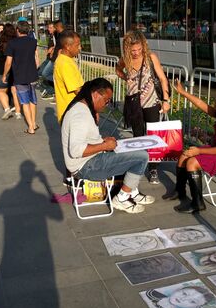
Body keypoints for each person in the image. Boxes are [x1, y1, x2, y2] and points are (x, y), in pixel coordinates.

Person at [61, 78, 154, 213]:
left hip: (89, 161)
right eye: (106, 100)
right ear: (96, 94)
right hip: (86, 167)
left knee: (134, 150)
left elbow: (84, 140)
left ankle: (132, 192)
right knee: (142, 157)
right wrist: (105, 146)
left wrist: (103, 141)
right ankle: (121, 198)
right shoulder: (80, 115)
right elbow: (76, 150)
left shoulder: (82, 108)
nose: (107, 104)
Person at [170, 82, 216, 213]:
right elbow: (201, 104)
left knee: (192, 162)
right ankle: (179, 191)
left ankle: (198, 203)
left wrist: (199, 150)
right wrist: (183, 92)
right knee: (184, 155)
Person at [115, 31, 170, 185]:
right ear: (127, 49)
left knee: (154, 137)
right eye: (133, 50)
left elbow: (162, 79)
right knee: (138, 137)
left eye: (139, 49)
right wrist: (126, 78)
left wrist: (166, 100)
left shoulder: (150, 58)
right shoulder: (125, 60)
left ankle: (153, 168)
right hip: (134, 104)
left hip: (151, 103)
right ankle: (138, 166)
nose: (136, 53)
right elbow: (117, 69)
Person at [2, 20, 39, 134]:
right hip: (32, 75)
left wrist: (4, 75)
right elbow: (36, 58)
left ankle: (31, 128)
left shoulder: (12, 43)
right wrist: (36, 68)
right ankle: (33, 123)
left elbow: (8, 62)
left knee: (25, 102)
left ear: (17, 30)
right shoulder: (33, 42)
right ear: (27, 30)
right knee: (33, 100)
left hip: (20, 76)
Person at [0, 23, 21, 120]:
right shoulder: (17, 41)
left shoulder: (0, 41)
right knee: (14, 90)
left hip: (1, 69)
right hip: (15, 69)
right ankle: (18, 113)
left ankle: (7, 109)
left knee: (1, 90)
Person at [53, 30, 83, 122]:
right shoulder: (65, 64)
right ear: (68, 47)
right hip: (72, 114)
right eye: (77, 45)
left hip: (72, 112)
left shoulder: (66, 59)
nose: (80, 48)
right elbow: (77, 90)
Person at [145, 285, 216, 308]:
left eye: (192, 301)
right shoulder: (150, 292)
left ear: (196, 307)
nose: (183, 299)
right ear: (179, 289)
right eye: (184, 293)